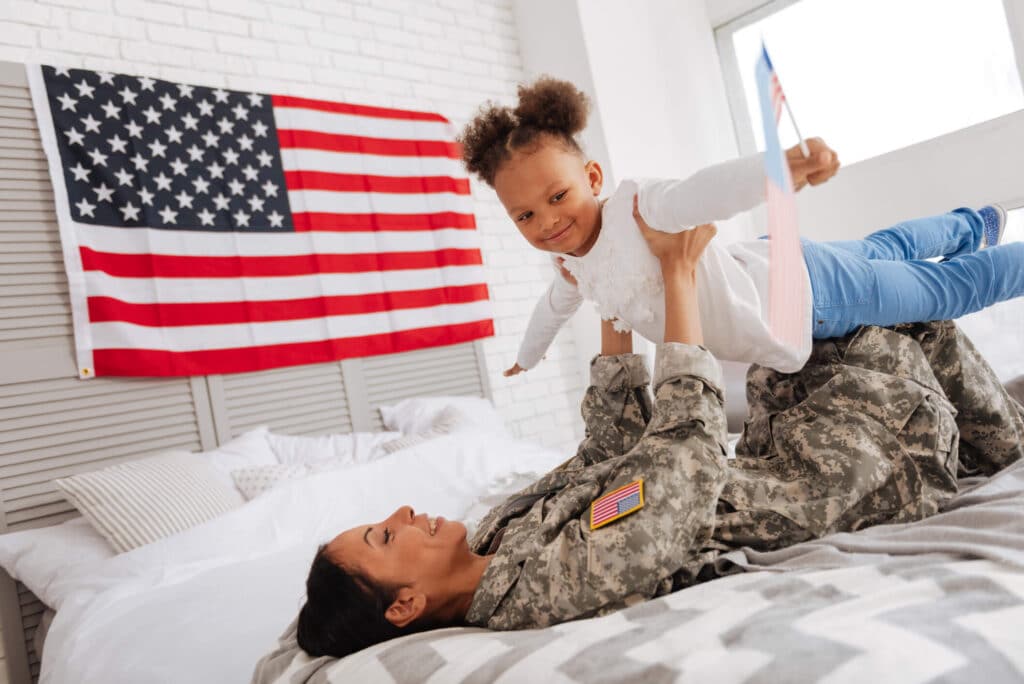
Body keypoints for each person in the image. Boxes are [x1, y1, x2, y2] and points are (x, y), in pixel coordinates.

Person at [289, 209, 1024, 659]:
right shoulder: (545, 588)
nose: (401, 516)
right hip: (846, 474)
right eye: (385, 539)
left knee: (803, 283)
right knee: (893, 317)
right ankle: (1005, 442)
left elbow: (609, 453)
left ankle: (970, 228)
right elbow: (679, 469)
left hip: (775, 447)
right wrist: (676, 280)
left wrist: (610, 294)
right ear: (405, 606)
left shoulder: (494, 538)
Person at [456, 77, 1021, 376]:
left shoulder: (639, 209)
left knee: (939, 290)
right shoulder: (573, 268)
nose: (548, 221)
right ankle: (976, 221)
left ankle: (989, 240)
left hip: (808, 293)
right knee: (884, 248)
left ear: (593, 176)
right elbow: (550, 310)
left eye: (558, 196)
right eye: (524, 215)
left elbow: (709, 190)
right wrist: (527, 357)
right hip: (774, 262)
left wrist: (786, 168)